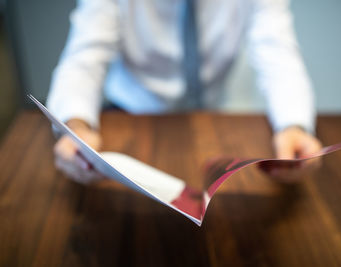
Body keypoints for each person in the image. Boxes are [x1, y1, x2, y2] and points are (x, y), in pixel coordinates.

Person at [47, 0, 322, 185]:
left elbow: (279, 54)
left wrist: (293, 126)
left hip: (211, 115)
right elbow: (83, 59)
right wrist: (76, 125)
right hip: (129, 114)